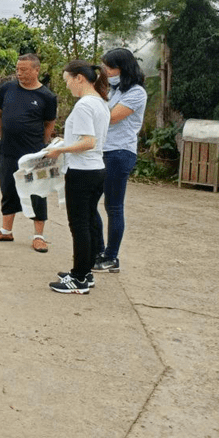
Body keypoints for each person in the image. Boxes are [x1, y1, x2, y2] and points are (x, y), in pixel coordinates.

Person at [45, 61, 110, 295]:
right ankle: (85, 272)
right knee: (90, 221)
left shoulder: (84, 105)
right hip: (96, 170)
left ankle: (80, 278)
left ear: (79, 78)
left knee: (80, 225)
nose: (67, 86)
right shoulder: (100, 103)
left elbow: (88, 142)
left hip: (82, 172)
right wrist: (65, 143)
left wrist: (60, 150)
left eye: (67, 80)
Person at [0, 54, 58, 252]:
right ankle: (6, 231)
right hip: (7, 150)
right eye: (18, 69)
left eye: (24, 70)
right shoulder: (7, 88)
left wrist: (42, 144)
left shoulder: (47, 96)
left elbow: (49, 123)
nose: (19, 73)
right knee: (7, 189)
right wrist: (1, 136)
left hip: (34, 154)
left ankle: (38, 236)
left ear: (36, 70)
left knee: (37, 191)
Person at [92, 48, 147, 273]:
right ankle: (99, 250)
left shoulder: (136, 92)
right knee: (88, 203)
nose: (106, 70)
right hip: (102, 151)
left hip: (119, 153)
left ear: (123, 68)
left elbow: (111, 118)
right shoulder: (112, 90)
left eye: (110, 67)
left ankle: (111, 257)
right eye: (104, 66)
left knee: (113, 206)